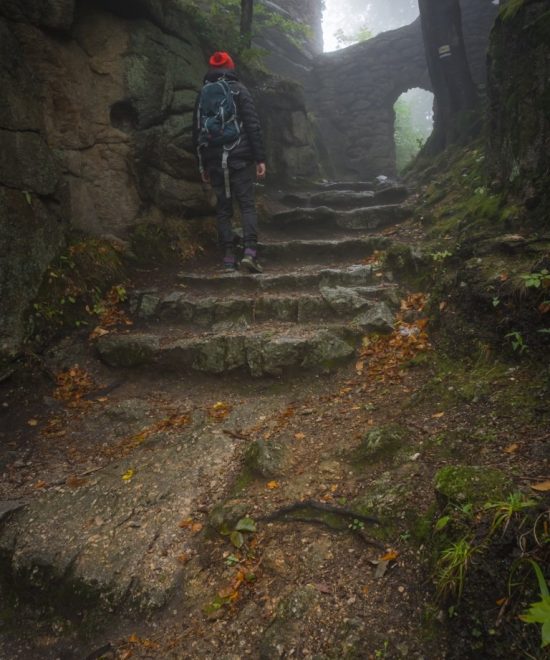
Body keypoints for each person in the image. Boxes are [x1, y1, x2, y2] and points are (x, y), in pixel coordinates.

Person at [194, 51, 266, 273]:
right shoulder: (239, 90)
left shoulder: (203, 94)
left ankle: (227, 258)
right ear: (231, 66)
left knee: (224, 209)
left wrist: (202, 164)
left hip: (215, 161)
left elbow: (197, 131)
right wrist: (259, 158)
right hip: (239, 159)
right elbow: (253, 125)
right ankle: (250, 254)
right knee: (246, 206)